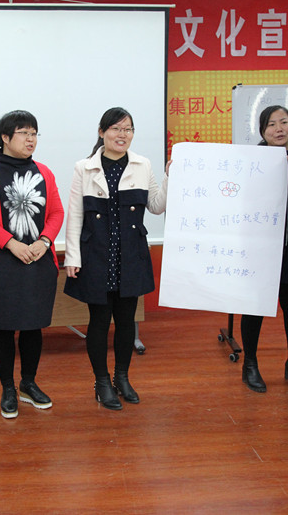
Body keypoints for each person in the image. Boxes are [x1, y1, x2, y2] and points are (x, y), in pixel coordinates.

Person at [64, 107, 170, 410]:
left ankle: (122, 378)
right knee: (99, 321)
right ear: (102, 132)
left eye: (128, 129)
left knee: (126, 321)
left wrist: (170, 176)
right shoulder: (84, 167)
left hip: (130, 255)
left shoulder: (142, 165)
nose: (122, 135)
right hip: (97, 255)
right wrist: (72, 257)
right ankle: (102, 382)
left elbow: (157, 206)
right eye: (116, 129)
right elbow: (75, 215)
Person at [0, 110, 64, 419]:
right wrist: (11, 243)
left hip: (37, 259)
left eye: (34, 133)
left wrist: (44, 241)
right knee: (3, 327)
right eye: (24, 133)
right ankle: (7, 388)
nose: (31, 139)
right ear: (5, 138)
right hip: (0, 262)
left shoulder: (44, 172)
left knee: (34, 326)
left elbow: (56, 212)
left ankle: (28, 383)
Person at [240, 105, 288, 393]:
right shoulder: (250, 162)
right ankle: (250, 364)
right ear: (262, 131)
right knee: (254, 309)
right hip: (260, 249)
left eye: (284, 122)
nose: (278, 129)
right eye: (271, 124)